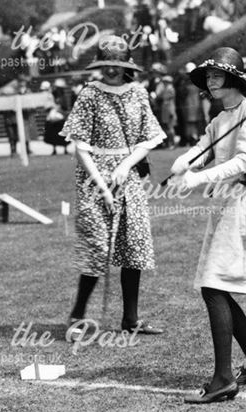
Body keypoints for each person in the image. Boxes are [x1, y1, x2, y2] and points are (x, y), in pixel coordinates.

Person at [170, 47, 246, 404]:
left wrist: (198, 177)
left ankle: (223, 378)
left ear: (234, 78)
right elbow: (204, 147)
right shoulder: (221, 118)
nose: (211, 81)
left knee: (213, 285)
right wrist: (184, 161)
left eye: (218, 75)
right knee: (214, 285)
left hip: (245, 204)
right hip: (225, 204)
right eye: (208, 76)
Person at [59, 36, 166, 337]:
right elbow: (80, 147)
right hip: (94, 179)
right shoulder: (90, 94)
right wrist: (103, 188)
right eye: (106, 64)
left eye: (116, 65)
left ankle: (130, 320)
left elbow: (149, 139)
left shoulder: (138, 93)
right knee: (96, 246)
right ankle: (77, 316)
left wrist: (124, 166)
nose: (110, 70)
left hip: (128, 175)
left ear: (126, 66)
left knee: (133, 244)